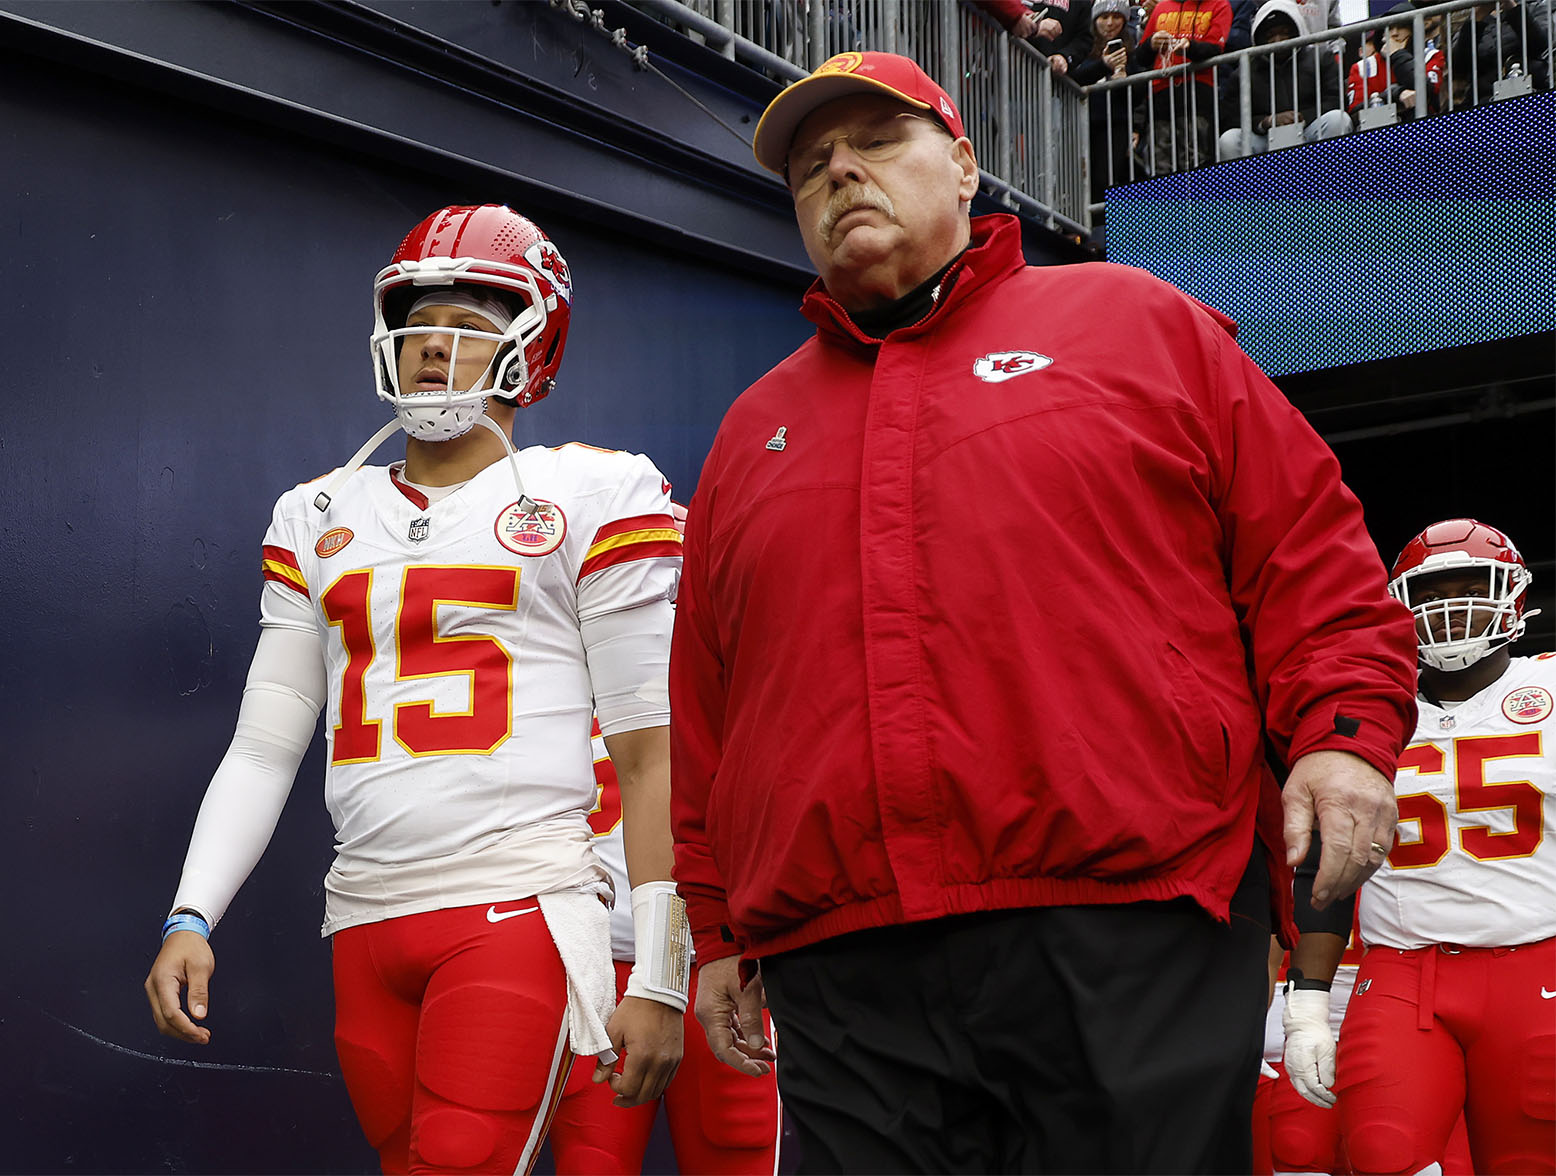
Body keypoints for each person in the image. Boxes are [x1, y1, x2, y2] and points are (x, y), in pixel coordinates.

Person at [670, 49, 1418, 1173]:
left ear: (963, 163)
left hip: (1125, 917)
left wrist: (1343, 739)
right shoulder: (750, 429)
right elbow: (708, 702)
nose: (839, 176)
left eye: (877, 142)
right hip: (844, 959)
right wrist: (716, 925)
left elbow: (1305, 553)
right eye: (811, 167)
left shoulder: (1132, 321)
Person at [143, 204, 687, 1174]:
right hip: (362, 912)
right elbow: (267, 744)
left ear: (533, 340)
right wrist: (192, 913)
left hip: (514, 901)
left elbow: (650, 752)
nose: (436, 347)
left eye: (472, 323)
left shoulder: (591, 494)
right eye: (418, 322)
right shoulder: (316, 511)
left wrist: (659, 966)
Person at [1283, 518, 1556, 1175]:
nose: (1452, 609)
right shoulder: (1365, 704)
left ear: (1512, 595)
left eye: (1471, 587)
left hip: (1538, 962)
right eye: (1432, 592)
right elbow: (1325, 859)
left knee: (1529, 1161)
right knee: (1383, 1152)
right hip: (1403, 967)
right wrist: (1308, 1006)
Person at [547, 510, 783, 1176]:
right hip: (603, 956)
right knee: (593, 1158)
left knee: (735, 1146)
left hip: (728, 953)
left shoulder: (749, 670)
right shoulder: (548, 672)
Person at [1217, 0, 1352, 158]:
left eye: (1284, 32)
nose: (1278, 40)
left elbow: (1336, 99)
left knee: (1338, 119)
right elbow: (1231, 117)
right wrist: (1267, 121)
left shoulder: (1321, 58)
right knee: (1230, 139)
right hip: (1265, 140)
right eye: (1270, 36)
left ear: (1296, 31)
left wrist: (1301, 117)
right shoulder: (1244, 73)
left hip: (1309, 132)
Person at [1134, 0, 1233, 171]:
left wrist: (1190, 46)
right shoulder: (1161, 7)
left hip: (1198, 93)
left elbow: (1215, 47)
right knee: (1161, 164)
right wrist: (1151, 43)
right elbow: (1141, 57)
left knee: (1197, 161)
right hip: (1161, 94)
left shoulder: (1220, 5)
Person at [1073, 0, 1146, 199]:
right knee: (1080, 180)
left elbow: (1140, 95)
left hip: (1116, 124)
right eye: (1104, 17)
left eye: (1116, 17)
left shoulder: (1130, 54)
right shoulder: (1084, 47)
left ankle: (1102, 227)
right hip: (1082, 123)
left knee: (1106, 180)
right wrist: (1104, 65)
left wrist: (1123, 81)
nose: (1110, 23)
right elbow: (1074, 78)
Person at [1345, 4, 1445, 116]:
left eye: (1402, 27)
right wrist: (1395, 94)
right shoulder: (1363, 67)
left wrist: (1397, 54)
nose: (1394, 33)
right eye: (1390, 28)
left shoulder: (1432, 56)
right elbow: (1355, 113)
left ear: (1414, 30)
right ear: (1382, 35)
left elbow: (1428, 91)